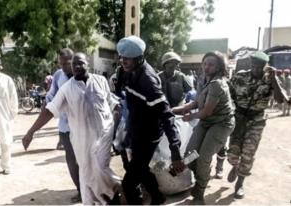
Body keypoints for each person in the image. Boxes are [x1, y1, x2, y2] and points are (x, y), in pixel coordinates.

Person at [22, 52, 121, 205]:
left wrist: (115, 126)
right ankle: (109, 196)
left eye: (80, 63)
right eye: (74, 64)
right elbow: (49, 110)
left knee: (100, 167)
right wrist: (31, 132)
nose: (76, 66)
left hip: (104, 137)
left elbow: (112, 103)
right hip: (82, 140)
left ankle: (115, 193)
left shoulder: (101, 80)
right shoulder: (66, 89)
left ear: (88, 63)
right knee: (87, 172)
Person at [116, 35, 185, 205]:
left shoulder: (149, 81)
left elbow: (167, 115)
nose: (123, 61)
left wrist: (175, 150)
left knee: (129, 183)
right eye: (122, 57)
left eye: (128, 58)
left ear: (139, 58)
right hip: (136, 128)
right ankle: (158, 197)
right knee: (138, 168)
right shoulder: (127, 71)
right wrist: (127, 133)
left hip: (149, 135)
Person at [172, 51, 235, 204]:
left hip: (221, 123)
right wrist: (175, 109)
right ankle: (200, 177)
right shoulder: (203, 79)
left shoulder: (217, 84)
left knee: (203, 158)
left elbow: (206, 111)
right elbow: (196, 103)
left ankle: (199, 193)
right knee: (190, 154)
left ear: (219, 67)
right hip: (207, 121)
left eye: (211, 64)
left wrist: (189, 116)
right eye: (205, 63)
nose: (207, 67)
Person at [227, 51, 290, 199]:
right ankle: (235, 166)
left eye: (260, 67)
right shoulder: (240, 76)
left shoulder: (270, 79)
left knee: (248, 153)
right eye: (254, 66)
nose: (256, 69)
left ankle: (240, 184)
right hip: (239, 119)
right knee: (233, 153)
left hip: (257, 120)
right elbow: (229, 95)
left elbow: (281, 100)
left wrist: (274, 79)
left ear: (265, 66)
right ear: (250, 64)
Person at [42, 48, 81, 202]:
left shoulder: (84, 74)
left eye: (67, 63)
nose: (64, 67)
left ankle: (91, 188)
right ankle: (80, 190)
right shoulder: (58, 75)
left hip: (84, 128)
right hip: (65, 128)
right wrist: (46, 105)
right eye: (61, 63)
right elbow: (50, 97)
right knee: (71, 160)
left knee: (87, 161)